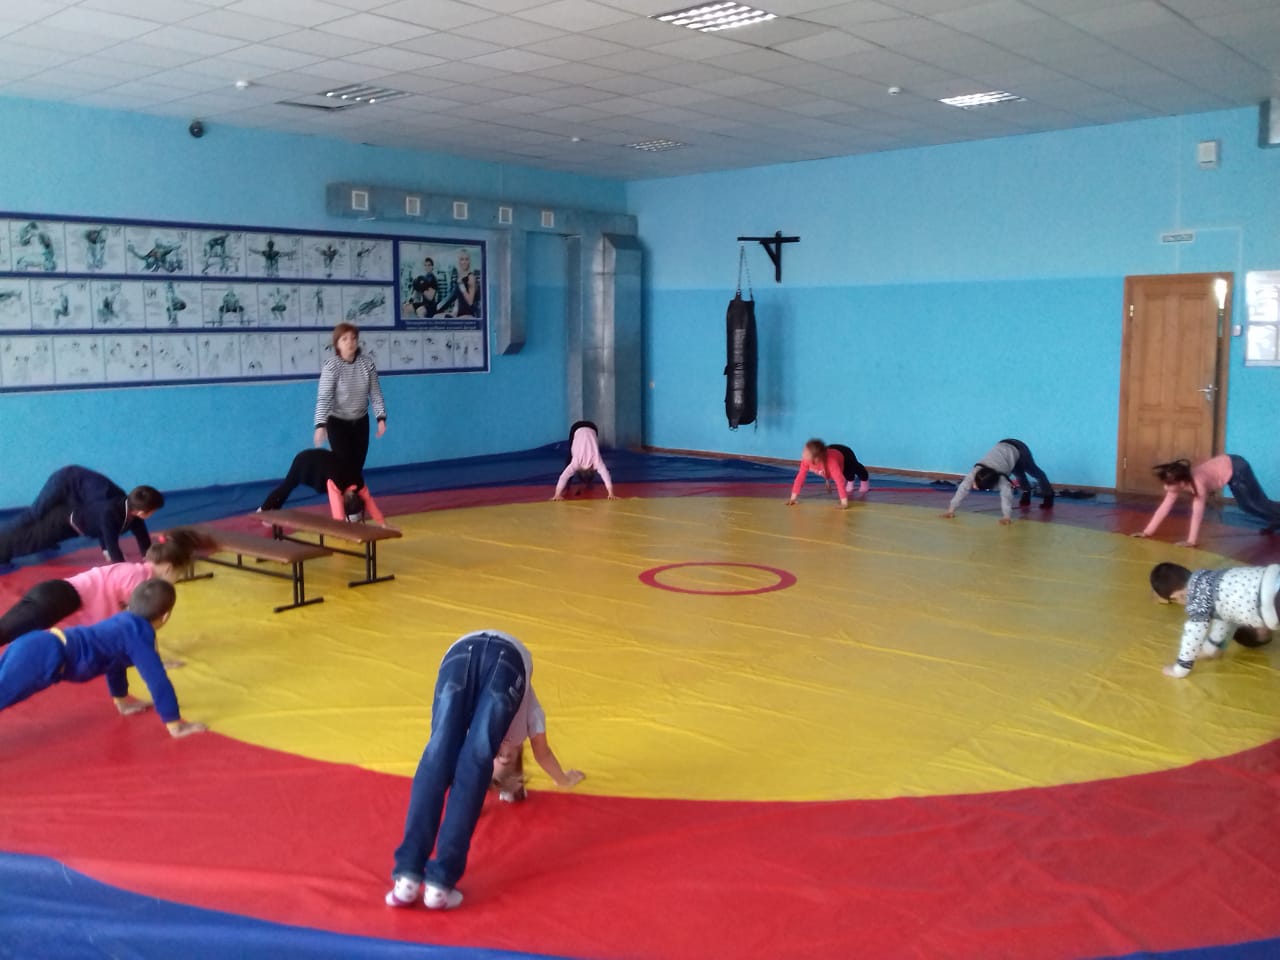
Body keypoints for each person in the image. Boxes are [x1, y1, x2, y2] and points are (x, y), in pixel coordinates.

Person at [386, 629, 584, 911]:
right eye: (504, 759)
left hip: (462, 651)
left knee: (437, 757)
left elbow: (465, 774)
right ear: (516, 760)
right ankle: (435, 882)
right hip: (502, 659)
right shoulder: (525, 720)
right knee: (463, 764)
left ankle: (408, 877)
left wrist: (556, 780)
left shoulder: (504, 731)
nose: (502, 756)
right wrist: (563, 779)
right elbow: (542, 753)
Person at [0, 578, 206, 738]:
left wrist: (121, 700)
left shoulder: (122, 621)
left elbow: (114, 664)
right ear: (165, 616)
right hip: (44, 655)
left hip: (37, 644)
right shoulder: (139, 635)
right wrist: (175, 723)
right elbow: (157, 680)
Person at [0, 529, 208, 648]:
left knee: (6, 631)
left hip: (54, 594)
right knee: (5, 633)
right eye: (178, 575)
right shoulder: (137, 580)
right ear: (169, 568)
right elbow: (138, 625)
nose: (175, 580)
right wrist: (154, 658)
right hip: (57, 598)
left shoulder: (136, 572)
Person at [0, 466, 163, 566]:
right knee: (35, 514)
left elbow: (141, 535)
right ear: (142, 512)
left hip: (78, 501)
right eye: (153, 511)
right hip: (64, 481)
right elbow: (108, 534)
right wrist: (117, 562)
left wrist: (149, 558)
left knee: (48, 529)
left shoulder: (129, 505)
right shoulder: (109, 506)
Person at [1149, 561, 1279, 678]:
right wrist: (1211, 648)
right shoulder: (1211, 579)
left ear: (1178, 596)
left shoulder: (1197, 598)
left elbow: (1193, 634)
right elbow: (1224, 619)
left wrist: (1180, 668)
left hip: (1272, 600)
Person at [1132, 455, 1280, 548]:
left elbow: (1197, 514)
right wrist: (1147, 532)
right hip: (1227, 465)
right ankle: (1276, 519)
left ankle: (1276, 517)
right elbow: (1164, 507)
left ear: (1182, 483)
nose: (1166, 487)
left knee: (1255, 503)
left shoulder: (1198, 485)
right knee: (1246, 506)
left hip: (1236, 467)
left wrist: (1191, 541)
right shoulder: (1177, 484)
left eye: (1169, 484)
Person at [314, 323, 387, 479]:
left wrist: (381, 418)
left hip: (360, 421)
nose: (350, 342)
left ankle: (353, 494)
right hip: (338, 422)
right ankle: (341, 493)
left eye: (353, 338)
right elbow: (324, 398)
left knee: (357, 465)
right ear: (337, 344)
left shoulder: (367, 364)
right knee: (343, 465)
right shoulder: (331, 366)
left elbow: (375, 394)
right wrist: (320, 425)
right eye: (345, 339)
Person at [260, 448, 386, 524]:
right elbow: (336, 506)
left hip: (320, 462)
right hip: (305, 461)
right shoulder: (337, 483)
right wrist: (340, 528)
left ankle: (273, 513)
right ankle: (263, 510)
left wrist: (381, 522)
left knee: (287, 488)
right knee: (287, 486)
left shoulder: (359, 482)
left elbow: (369, 501)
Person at [942, 438, 1054, 524]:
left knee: (1035, 473)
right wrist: (950, 510)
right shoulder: (975, 473)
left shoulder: (1002, 480)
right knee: (1019, 474)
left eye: (976, 486)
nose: (974, 487)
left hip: (1019, 449)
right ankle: (1026, 492)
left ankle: (1049, 495)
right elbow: (962, 489)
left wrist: (1006, 516)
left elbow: (1006, 497)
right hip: (1004, 448)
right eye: (975, 485)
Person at [786, 439, 869, 508]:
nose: (802, 454)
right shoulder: (806, 461)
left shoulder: (832, 463)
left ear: (816, 458)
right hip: (829, 452)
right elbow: (800, 478)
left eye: (806, 453)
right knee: (845, 474)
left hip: (845, 454)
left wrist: (844, 502)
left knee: (853, 469)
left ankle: (864, 479)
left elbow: (840, 481)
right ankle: (850, 481)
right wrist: (793, 498)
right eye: (804, 451)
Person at [553, 421, 617, 500]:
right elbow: (563, 476)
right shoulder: (576, 463)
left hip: (592, 427)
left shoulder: (595, 462)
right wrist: (610, 493)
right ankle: (579, 484)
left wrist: (557, 494)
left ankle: (568, 485)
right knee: (570, 457)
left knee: (569, 458)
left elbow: (606, 475)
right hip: (577, 428)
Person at [439, 249, 480, 318]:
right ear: (459, 261)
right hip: (459, 314)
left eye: (466, 259)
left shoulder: (471, 277)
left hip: (468, 314)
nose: (464, 262)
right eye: (462, 259)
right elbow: (458, 298)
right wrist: (454, 312)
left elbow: (470, 302)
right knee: (437, 316)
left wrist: (462, 287)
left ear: (469, 261)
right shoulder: (460, 277)